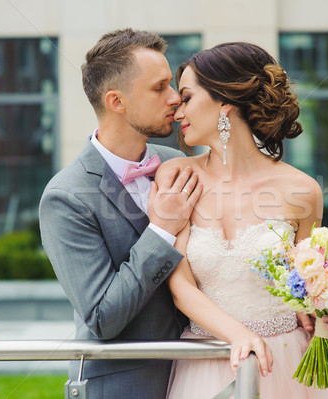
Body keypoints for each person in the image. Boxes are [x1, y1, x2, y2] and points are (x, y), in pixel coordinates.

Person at [159, 42, 328, 398]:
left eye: (186, 98)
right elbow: (179, 285)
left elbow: (310, 285)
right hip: (207, 359)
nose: (177, 110)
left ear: (225, 103)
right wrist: (236, 334)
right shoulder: (176, 176)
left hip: (284, 360)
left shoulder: (303, 190)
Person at [38, 28, 202, 399]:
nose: (175, 98)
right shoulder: (65, 197)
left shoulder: (180, 164)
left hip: (202, 375)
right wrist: (161, 230)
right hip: (124, 386)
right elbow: (103, 317)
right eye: (159, 87)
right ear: (117, 101)